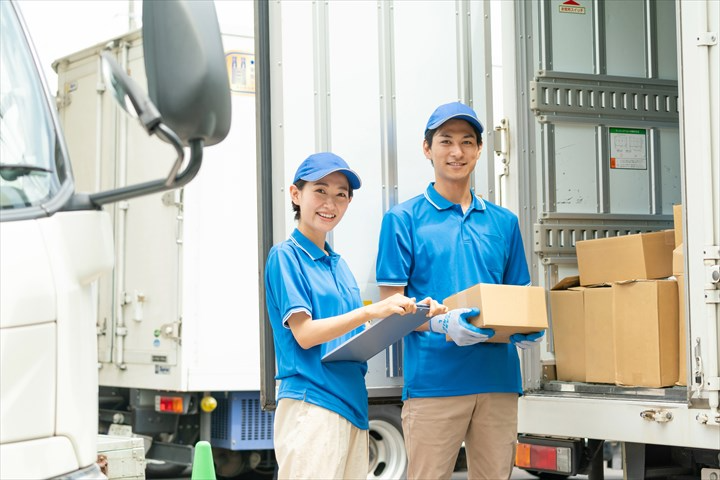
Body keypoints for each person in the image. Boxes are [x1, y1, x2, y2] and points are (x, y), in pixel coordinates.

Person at [375, 102, 545, 480]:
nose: (457, 152)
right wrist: (440, 324)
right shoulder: (403, 219)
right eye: (446, 141)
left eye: (467, 142)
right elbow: (390, 306)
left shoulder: (504, 222)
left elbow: (518, 296)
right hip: (435, 384)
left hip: (498, 382)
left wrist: (528, 328)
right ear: (427, 149)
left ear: (480, 150)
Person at [264, 152, 422, 480]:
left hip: (352, 405)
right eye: (320, 190)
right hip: (313, 403)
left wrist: (411, 312)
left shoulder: (339, 264)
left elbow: (354, 333)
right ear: (296, 194)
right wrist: (369, 310)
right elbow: (305, 334)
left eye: (341, 194)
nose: (331, 203)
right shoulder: (286, 256)